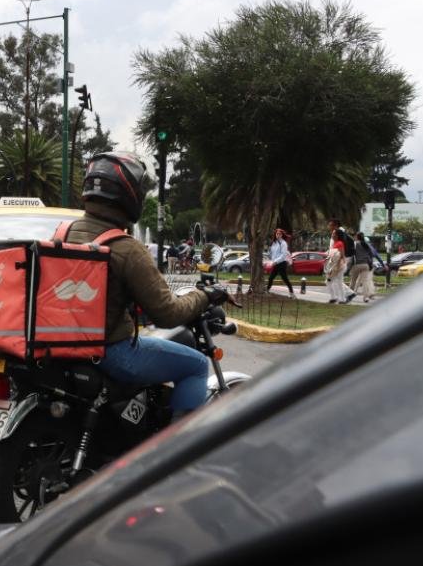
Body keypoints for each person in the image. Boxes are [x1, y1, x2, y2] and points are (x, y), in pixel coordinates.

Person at [62, 152, 227, 418]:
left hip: (62, 346)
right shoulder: (126, 248)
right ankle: (180, 442)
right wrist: (204, 295)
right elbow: (167, 314)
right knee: (196, 365)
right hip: (111, 351)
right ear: (129, 195)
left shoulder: (63, 234)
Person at [266, 228, 295, 297]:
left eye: (279, 234)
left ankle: (292, 293)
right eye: (277, 234)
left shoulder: (283, 243)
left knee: (285, 279)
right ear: (275, 234)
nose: (278, 235)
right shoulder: (274, 243)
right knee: (271, 278)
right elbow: (272, 254)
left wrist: (276, 261)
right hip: (276, 263)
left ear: (282, 235)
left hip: (282, 263)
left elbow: (283, 255)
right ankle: (267, 290)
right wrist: (269, 254)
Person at [351, 232, 377, 303]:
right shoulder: (366, 245)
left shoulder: (355, 244)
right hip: (365, 265)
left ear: (357, 237)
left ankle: (349, 295)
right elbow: (371, 254)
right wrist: (370, 263)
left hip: (356, 264)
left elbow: (351, 253)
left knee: (353, 280)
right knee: (365, 282)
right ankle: (366, 298)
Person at [325, 229, 348, 303]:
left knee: (338, 282)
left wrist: (336, 267)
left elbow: (341, 256)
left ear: (337, 235)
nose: (332, 234)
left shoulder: (340, 243)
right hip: (334, 266)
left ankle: (341, 299)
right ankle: (335, 298)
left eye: (334, 233)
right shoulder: (334, 243)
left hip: (339, 266)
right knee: (330, 281)